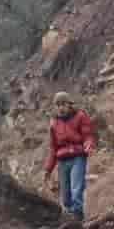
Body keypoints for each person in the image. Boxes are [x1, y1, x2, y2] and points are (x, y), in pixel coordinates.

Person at [43, 91, 94, 221]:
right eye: (58, 105)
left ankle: (78, 220)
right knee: (65, 196)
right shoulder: (54, 123)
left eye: (63, 104)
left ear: (69, 104)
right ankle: (71, 221)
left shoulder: (80, 116)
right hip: (62, 161)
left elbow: (87, 135)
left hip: (77, 157)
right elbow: (53, 148)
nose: (61, 107)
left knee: (76, 190)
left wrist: (88, 144)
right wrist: (48, 169)